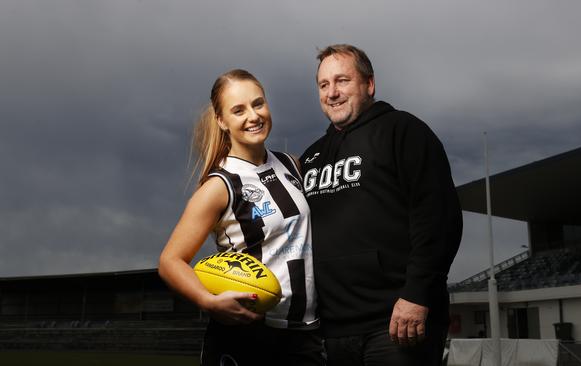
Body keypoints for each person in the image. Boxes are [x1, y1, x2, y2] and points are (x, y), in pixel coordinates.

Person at [300, 44, 463, 366]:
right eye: (324, 84)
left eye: (342, 80)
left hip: (396, 322)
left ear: (369, 85)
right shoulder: (311, 156)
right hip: (332, 330)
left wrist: (417, 294)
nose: (332, 93)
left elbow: (438, 218)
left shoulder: (403, 131)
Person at [158, 69, 323, 366]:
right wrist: (208, 301)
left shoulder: (291, 165)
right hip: (249, 333)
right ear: (222, 121)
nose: (253, 116)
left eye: (258, 103)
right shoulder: (220, 185)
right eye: (239, 110)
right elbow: (170, 261)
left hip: (304, 334)